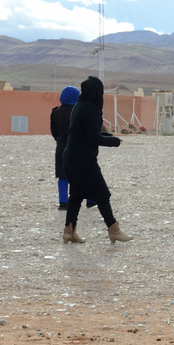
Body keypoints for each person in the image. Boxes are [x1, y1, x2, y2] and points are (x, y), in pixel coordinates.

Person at [62, 76, 131, 244]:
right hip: (83, 159)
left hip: (70, 156)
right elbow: (93, 137)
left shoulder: (79, 105)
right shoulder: (91, 108)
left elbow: (87, 133)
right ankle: (113, 229)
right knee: (102, 193)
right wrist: (113, 142)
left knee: (76, 194)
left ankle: (69, 232)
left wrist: (110, 136)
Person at [50, 86, 78, 209]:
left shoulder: (55, 112)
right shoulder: (77, 112)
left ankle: (63, 202)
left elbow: (53, 131)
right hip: (76, 146)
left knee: (62, 175)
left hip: (61, 146)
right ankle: (89, 200)